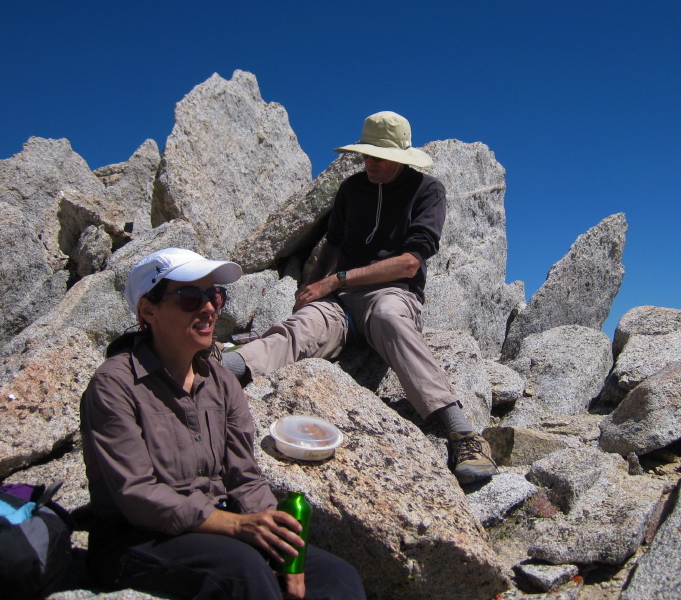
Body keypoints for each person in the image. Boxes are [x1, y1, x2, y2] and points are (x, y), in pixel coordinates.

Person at [221, 111, 498, 484]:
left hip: (392, 293)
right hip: (340, 304)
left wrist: (334, 281)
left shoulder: (428, 190)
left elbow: (410, 264)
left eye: (378, 157)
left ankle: (462, 433)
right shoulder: (352, 189)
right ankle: (214, 374)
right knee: (300, 327)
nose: (369, 163)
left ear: (400, 157)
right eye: (366, 155)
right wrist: (312, 291)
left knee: (387, 316)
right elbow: (333, 243)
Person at [80, 247, 365, 600]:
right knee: (244, 573)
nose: (210, 307)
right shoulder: (115, 385)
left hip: (215, 526)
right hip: (134, 536)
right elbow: (138, 495)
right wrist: (237, 525)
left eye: (215, 294)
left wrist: (287, 555)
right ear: (148, 310)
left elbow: (243, 476)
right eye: (189, 298)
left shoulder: (219, 380)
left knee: (336, 577)